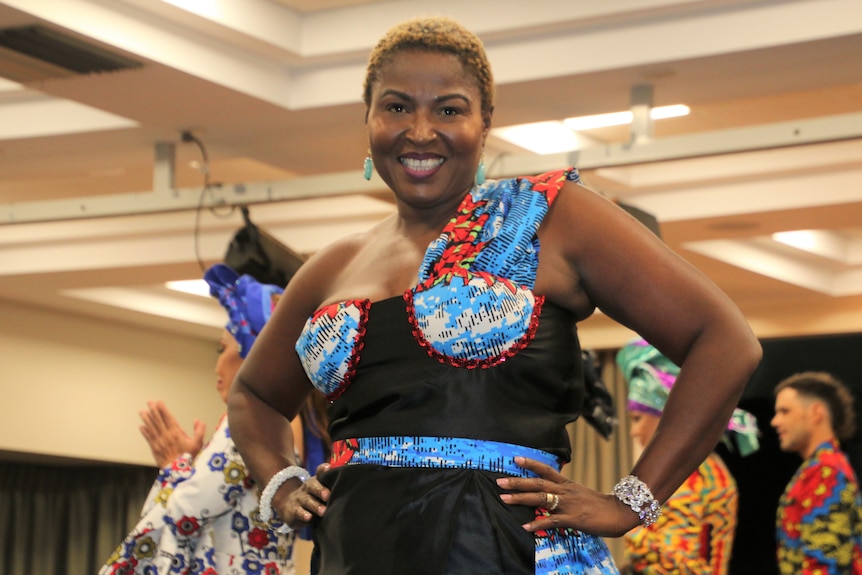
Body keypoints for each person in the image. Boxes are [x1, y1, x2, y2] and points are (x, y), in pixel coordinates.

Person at [225, 16, 762, 574]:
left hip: (503, 550)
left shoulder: (548, 217)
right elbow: (254, 396)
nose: (421, 130)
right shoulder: (332, 266)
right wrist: (282, 484)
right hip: (357, 551)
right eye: (397, 106)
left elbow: (725, 341)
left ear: (485, 125)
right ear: (368, 119)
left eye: (450, 109)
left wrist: (631, 500)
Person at [100, 264, 330, 575]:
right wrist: (195, 462)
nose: (217, 365)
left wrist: (175, 465)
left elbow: (184, 514)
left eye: (222, 348)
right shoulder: (291, 422)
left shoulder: (250, 426)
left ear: (253, 353)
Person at [616, 338, 760, 575]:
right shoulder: (683, 468)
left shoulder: (696, 473)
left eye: (637, 419)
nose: (634, 431)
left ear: (663, 416)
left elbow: (678, 559)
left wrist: (633, 535)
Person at [771, 371, 862, 575]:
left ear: (816, 413)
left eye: (784, 411)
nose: (775, 421)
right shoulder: (820, 467)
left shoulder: (826, 471)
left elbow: (826, 561)